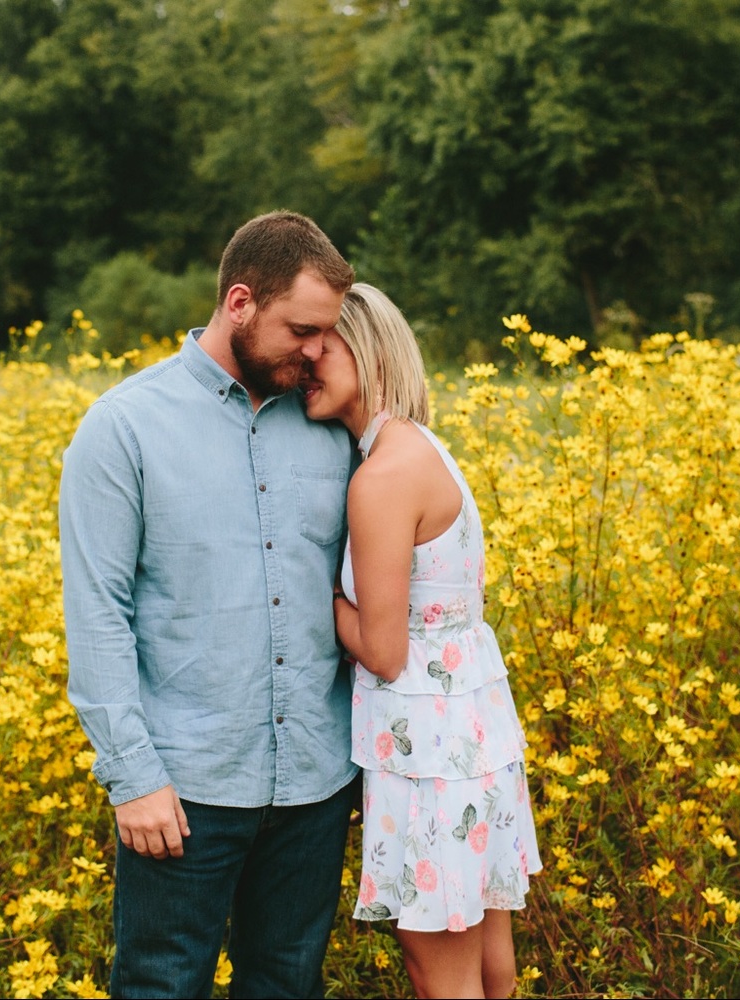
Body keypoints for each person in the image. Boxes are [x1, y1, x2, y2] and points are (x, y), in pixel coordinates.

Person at [59, 211, 360, 1000]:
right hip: (182, 790)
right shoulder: (122, 428)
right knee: (162, 986)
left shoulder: (331, 425)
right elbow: (97, 614)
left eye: (326, 334)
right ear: (238, 303)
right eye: (301, 329)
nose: (316, 351)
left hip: (314, 787)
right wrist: (132, 777)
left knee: (288, 985)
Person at [300, 283, 543, 999]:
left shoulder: (382, 477)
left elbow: (383, 650)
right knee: (486, 957)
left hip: (427, 754)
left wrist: (312, 591)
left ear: (370, 349)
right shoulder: (426, 449)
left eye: (325, 343)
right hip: (474, 739)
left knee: (437, 969)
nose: (308, 359)